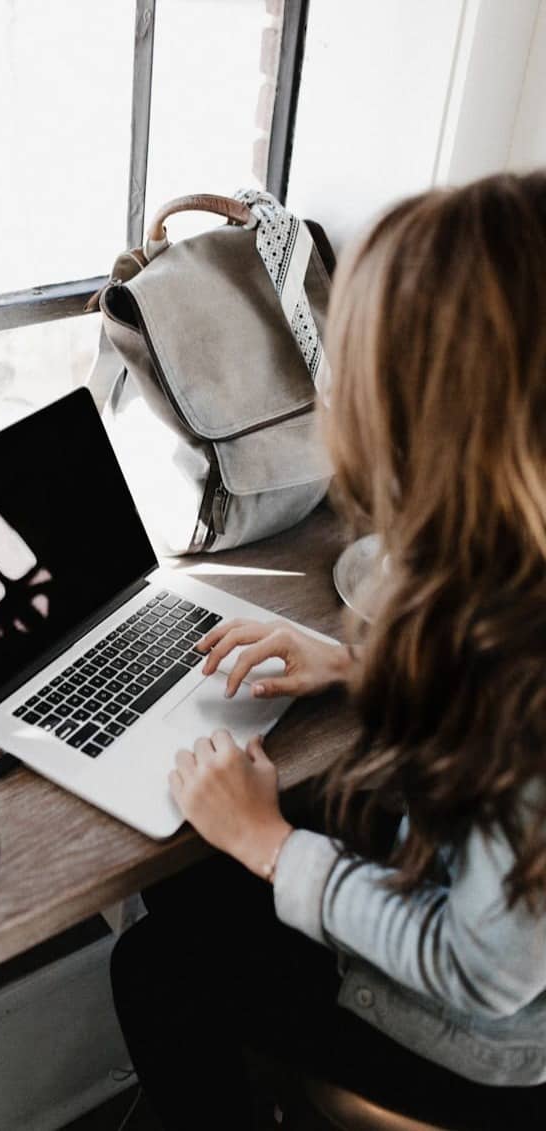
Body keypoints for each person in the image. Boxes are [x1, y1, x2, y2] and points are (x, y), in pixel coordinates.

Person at [110, 171, 546, 1131]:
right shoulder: (510, 589)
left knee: (157, 967)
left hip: (496, 1055)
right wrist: (356, 664)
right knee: (194, 891)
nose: (333, 391)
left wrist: (269, 843)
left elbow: (482, 973)